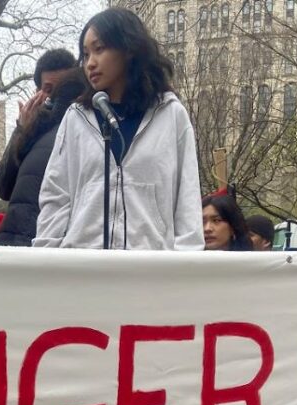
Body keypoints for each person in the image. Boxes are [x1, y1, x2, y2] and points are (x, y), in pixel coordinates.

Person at [32, 8, 204, 251]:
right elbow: (56, 195)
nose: (90, 63)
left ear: (129, 49)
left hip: (149, 271)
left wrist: (185, 263)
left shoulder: (170, 114)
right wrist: (47, 258)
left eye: (99, 49)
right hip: (83, 269)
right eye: (85, 54)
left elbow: (187, 197)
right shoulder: (76, 118)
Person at [0, 49, 78, 246]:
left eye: (63, 89)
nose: (57, 98)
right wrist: (21, 130)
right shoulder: (31, 129)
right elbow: (2, 186)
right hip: (18, 241)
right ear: (38, 92)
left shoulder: (83, 128)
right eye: (49, 90)